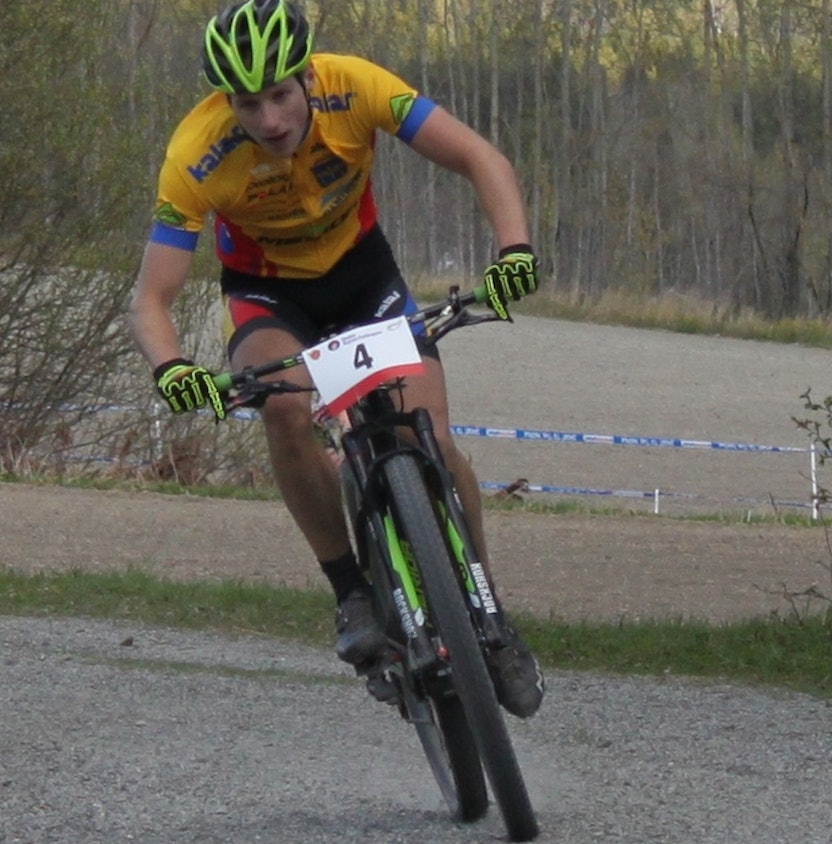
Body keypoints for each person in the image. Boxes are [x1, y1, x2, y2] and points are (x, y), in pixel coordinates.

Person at [127, 0, 544, 718]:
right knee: (286, 410)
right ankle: (351, 591)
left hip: (364, 278)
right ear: (226, 103)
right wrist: (174, 369)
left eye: (280, 95)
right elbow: (149, 300)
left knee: (433, 436)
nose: (269, 119)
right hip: (270, 296)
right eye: (248, 104)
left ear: (309, 79)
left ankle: (488, 611)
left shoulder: (358, 85)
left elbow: (481, 158)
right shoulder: (195, 153)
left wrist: (514, 251)